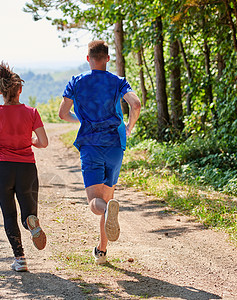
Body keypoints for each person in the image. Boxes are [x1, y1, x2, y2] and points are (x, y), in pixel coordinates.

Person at [59, 40, 141, 264]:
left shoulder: (76, 82)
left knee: (96, 203)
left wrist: (82, 120)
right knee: (107, 199)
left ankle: (107, 212)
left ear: (88, 59)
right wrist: (129, 127)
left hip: (90, 146)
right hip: (115, 146)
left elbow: (62, 114)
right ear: (107, 58)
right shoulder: (117, 81)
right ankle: (101, 251)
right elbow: (136, 104)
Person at [0, 61, 48, 272]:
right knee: (27, 213)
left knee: (9, 216)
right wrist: (30, 141)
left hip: (3, 169)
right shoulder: (32, 112)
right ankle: (31, 223)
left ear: (0, 91)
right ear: (20, 90)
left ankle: (20, 259)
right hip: (27, 169)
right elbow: (43, 142)